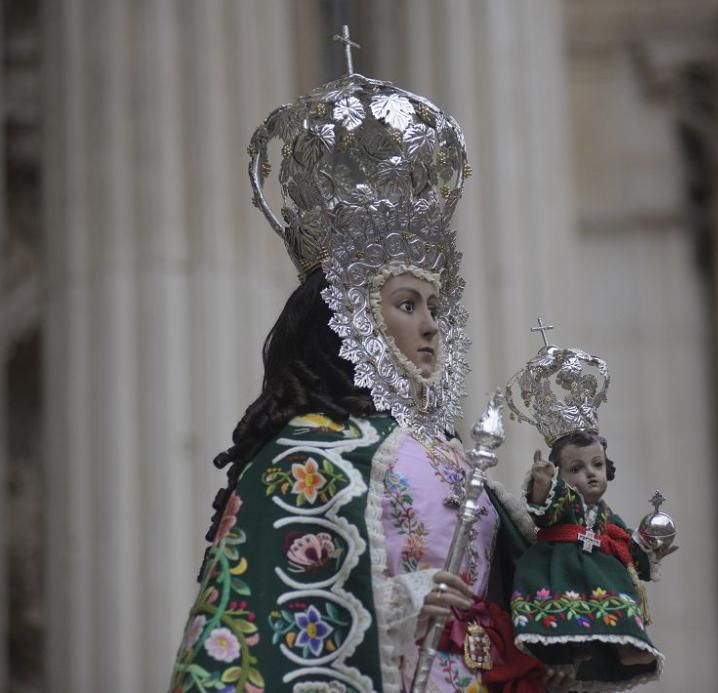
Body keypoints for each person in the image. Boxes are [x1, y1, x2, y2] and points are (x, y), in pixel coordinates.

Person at [167, 69, 560, 693]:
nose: (431, 327)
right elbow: (268, 605)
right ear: (349, 317)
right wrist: (401, 600)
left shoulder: (455, 459)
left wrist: (567, 540)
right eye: (408, 305)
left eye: (436, 308)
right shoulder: (307, 459)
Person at [504, 341, 674, 691]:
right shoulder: (563, 500)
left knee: (617, 595)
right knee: (572, 613)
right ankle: (569, 651)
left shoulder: (606, 515)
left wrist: (650, 547)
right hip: (561, 568)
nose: (591, 474)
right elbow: (542, 510)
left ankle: (624, 646)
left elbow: (626, 543)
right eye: (577, 468)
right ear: (561, 474)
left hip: (598, 567)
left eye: (597, 465)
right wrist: (541, 484)